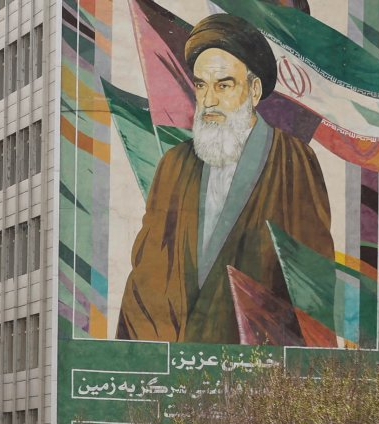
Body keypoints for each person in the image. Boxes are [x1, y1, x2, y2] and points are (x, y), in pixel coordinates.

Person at [115, 12, 334, 345]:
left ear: (255, 89)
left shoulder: (293, 161)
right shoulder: (174, 164)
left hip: (261, 373)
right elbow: (146, 277)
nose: (209, 100)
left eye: (224, 85)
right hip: (177, 367)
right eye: (201, 85)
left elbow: (314, 286)